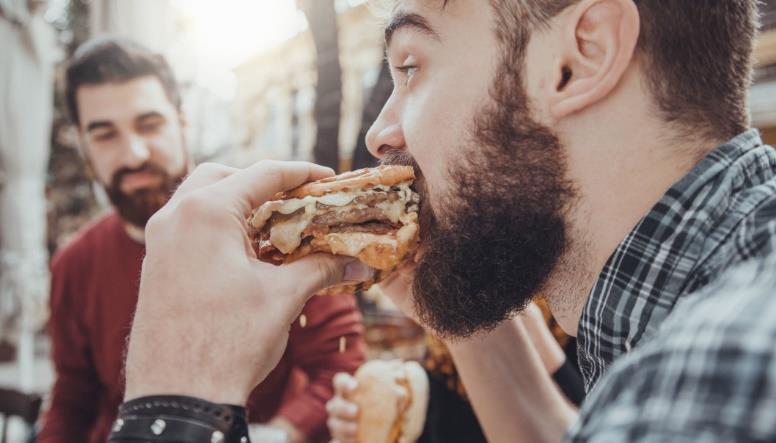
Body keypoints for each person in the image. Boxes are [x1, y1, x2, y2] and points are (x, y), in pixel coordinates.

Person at [104, 0, 776, 441]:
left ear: (579, 58)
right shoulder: (694, 311)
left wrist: (176, 395)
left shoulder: (725, 368)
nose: (379, 133)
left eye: (412, 65)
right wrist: (459, 303)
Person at [39, 38, 366, 443]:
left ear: (181, 122)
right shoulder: (74, 264)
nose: (134, 153)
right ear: (85, 147)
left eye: (149, 124)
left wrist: (279, 434)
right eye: (105, 135)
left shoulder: (277, 228)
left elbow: (341, 362)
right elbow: (72, 401)